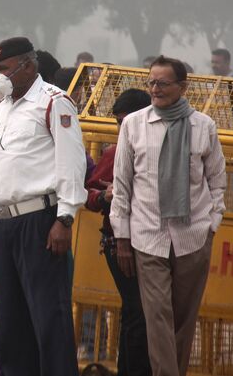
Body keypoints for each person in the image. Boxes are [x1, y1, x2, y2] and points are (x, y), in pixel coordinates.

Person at [0, 37, 87, 376]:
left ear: (28, 66)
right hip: (3, 225)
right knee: (11, 322)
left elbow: (71, 164)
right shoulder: (4, 106)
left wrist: (65, 218)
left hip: (40, 220)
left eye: (4, 69)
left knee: (50, 317)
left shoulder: (53, 103)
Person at [110, 55, 226, 376]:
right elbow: (122, 184)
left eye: (163, 83)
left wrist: (212, 225)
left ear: (182, 86)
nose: (155, 89)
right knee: (157, 315)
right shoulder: (134, 124)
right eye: (151, 82)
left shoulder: (203, 126)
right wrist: (122, 236)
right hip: (148, 236)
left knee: (183, 319)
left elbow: (217, 181)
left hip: (193, 237)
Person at [85, 88, 152, 376]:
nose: (123, 130)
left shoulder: (160, 146)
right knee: (138, 311)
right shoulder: (114, 152)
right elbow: (88, 191)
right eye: (118, 124)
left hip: (154, 240)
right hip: (119, 243)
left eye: (128, 122)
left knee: (139, 312)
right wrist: (104, 197)